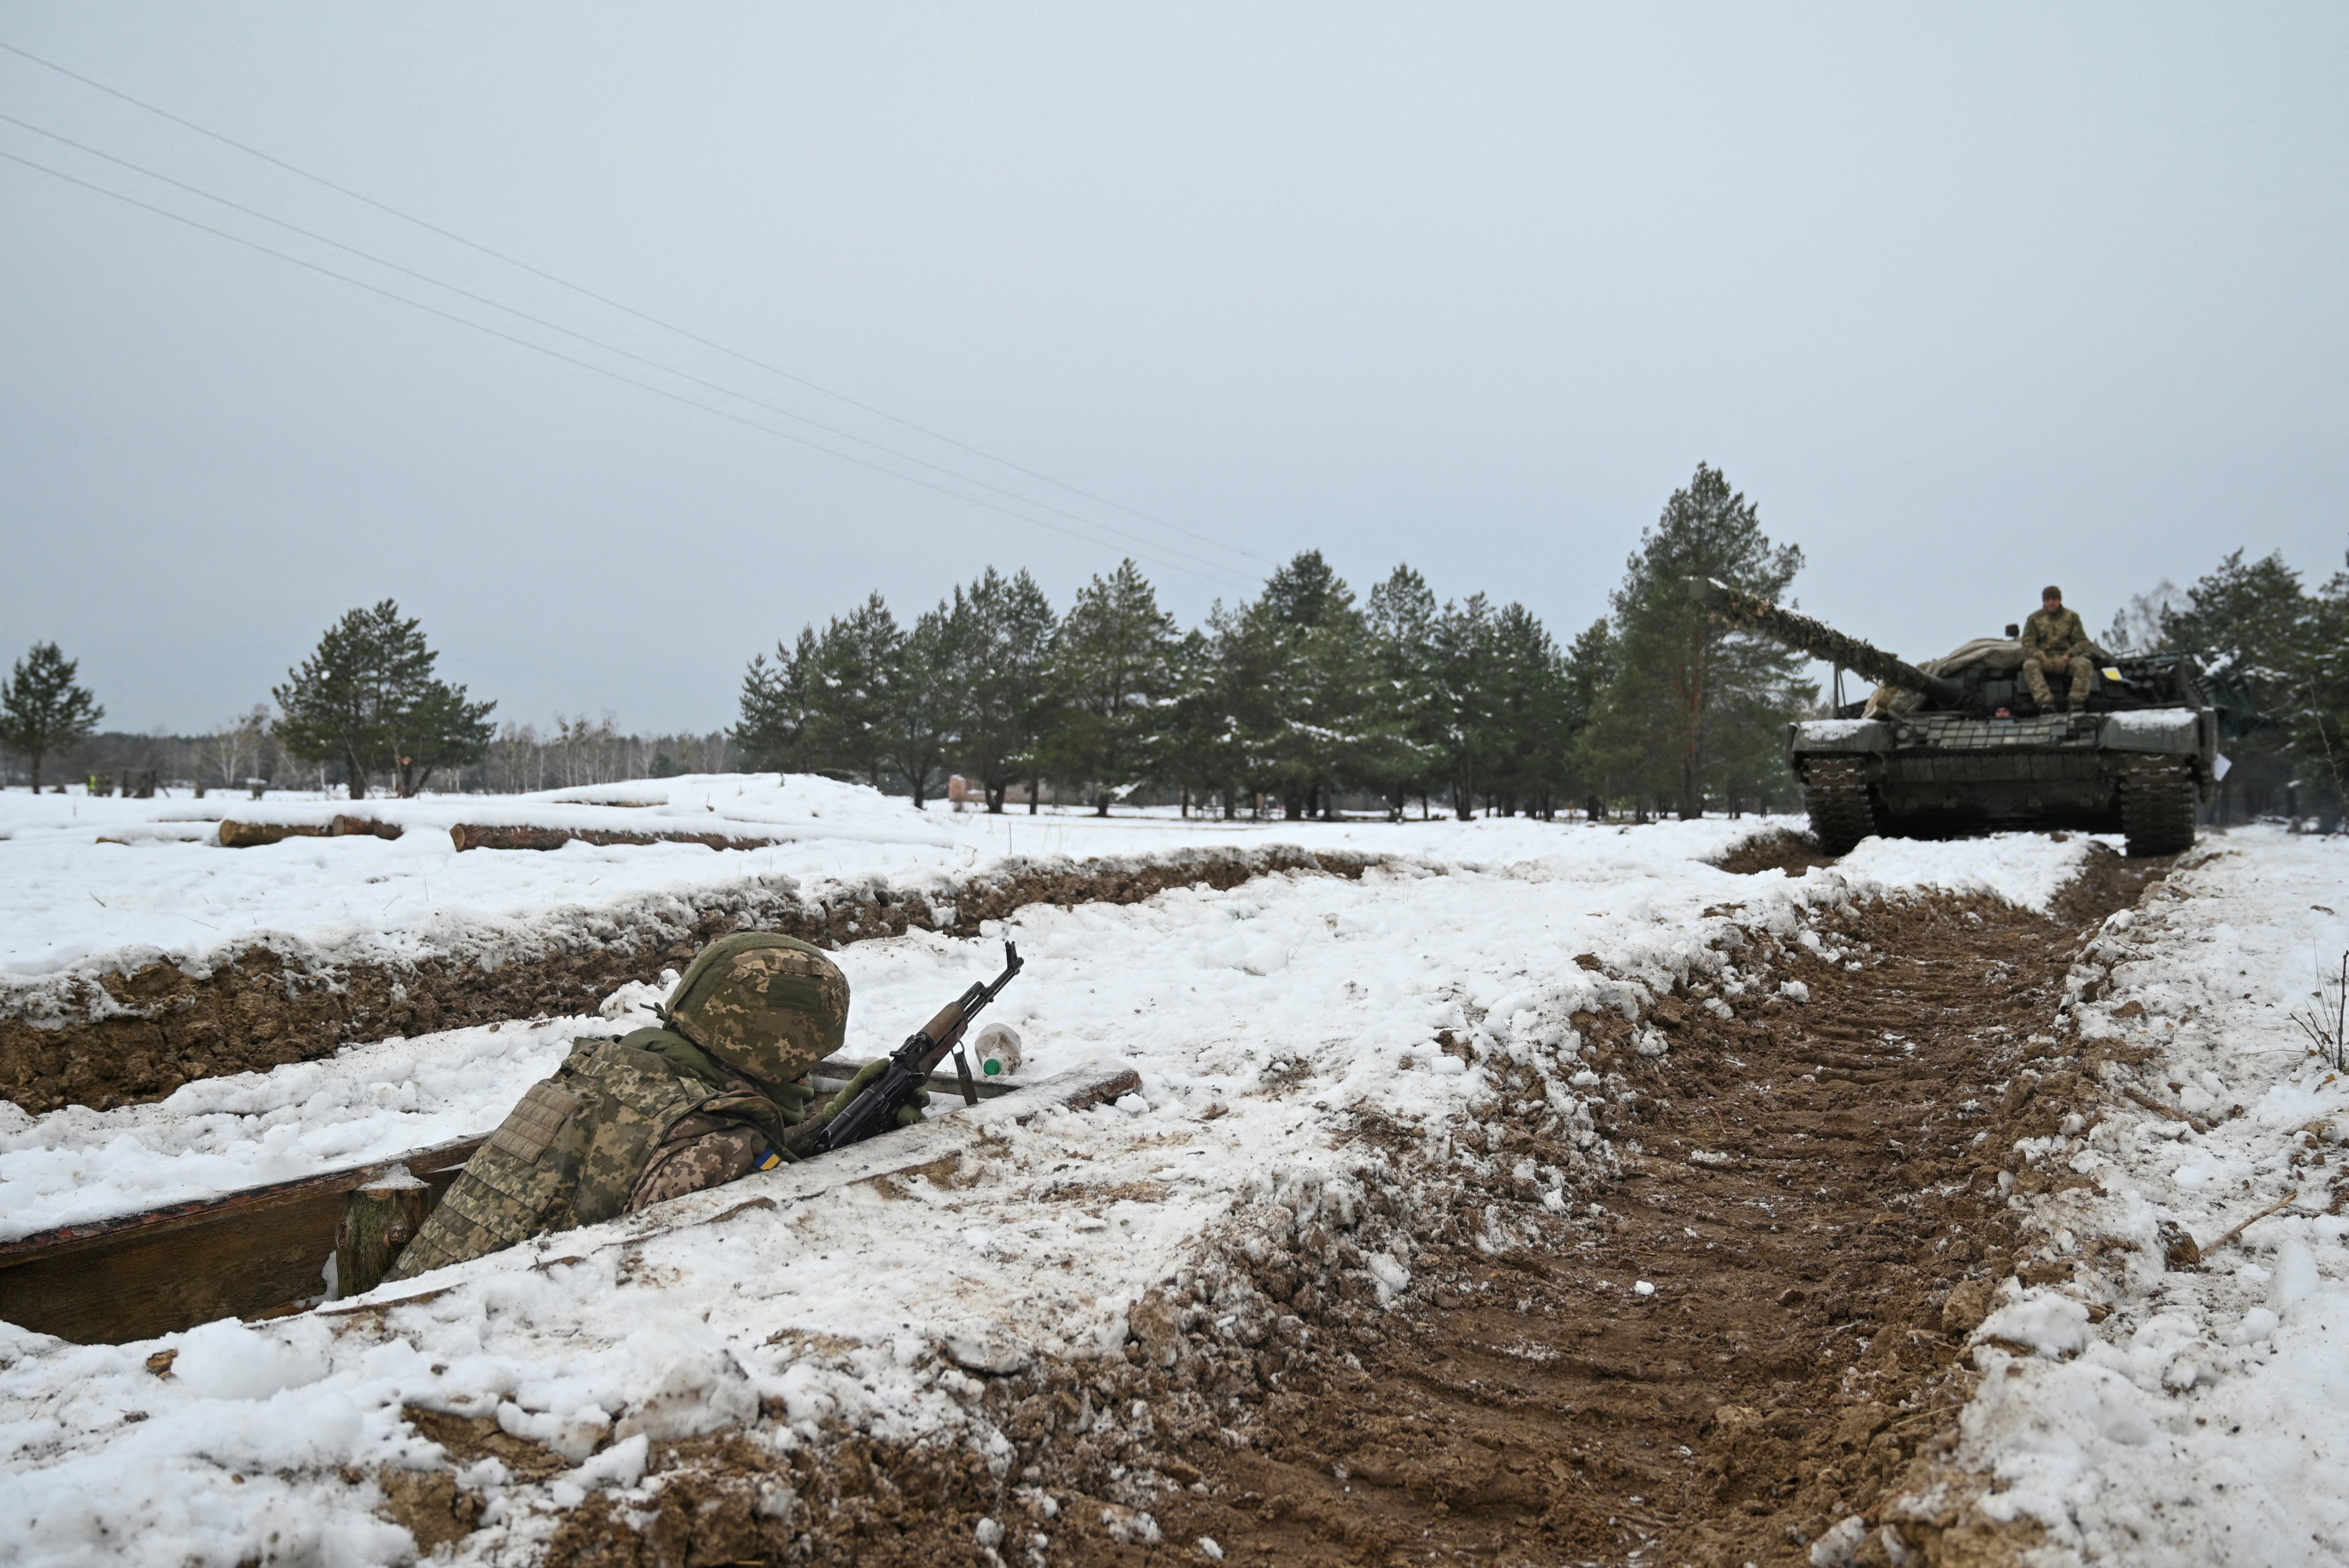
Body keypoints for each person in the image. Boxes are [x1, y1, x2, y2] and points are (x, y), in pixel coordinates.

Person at [384, 932, 922, 1281]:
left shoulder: (610, 1066)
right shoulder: (714, 1140)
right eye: (804, 1057)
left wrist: (830, 1125)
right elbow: (715, 1274)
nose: (807, 1074)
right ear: (768, 1042)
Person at [2020, 584, 2093, 711]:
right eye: (2048, 600)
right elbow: (2028, 643)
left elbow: (2082, 641)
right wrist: (2042, 658)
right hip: (2044, 658)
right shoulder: (2034, 619)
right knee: (2029, 666)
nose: (2051, 602)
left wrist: (2067, 656)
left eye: (2054, 599)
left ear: (2059, 600)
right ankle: (2046, 703)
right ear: (2044, 601)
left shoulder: (2071, 617)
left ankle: (2075, 702)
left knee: (2085, 664)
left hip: (2067, 658)